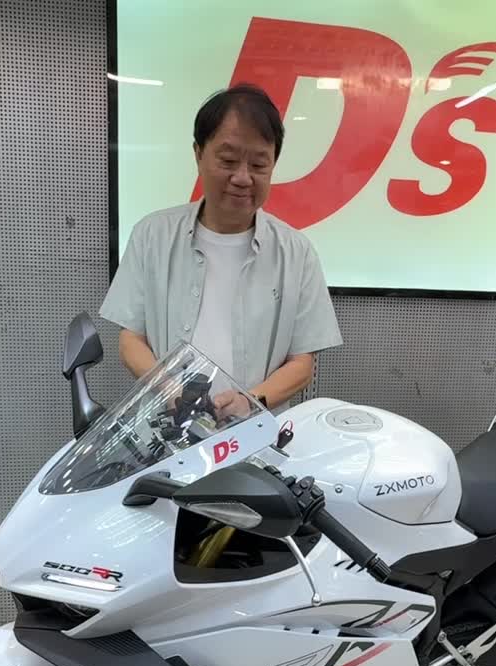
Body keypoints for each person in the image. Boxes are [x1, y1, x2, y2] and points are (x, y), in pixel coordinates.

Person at [100, 84, 342, 418]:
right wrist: (169, 390)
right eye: (228, 160)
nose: (242, 178)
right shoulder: (152, 235)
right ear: (198, 154)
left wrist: (249, 401)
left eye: (258, 165)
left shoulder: (297, 253)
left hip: (255, 435)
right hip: (165, 428)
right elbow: (130, 341)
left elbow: (302, 363)